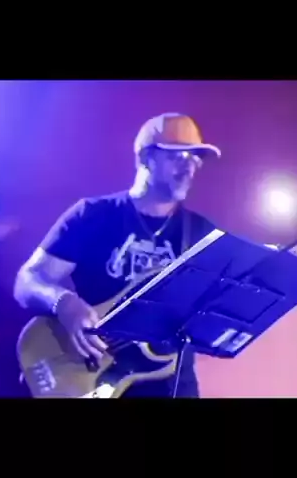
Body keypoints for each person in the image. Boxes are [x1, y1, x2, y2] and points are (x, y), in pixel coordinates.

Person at [13, 112, 221, 398]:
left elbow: (215, 318)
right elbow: (28, 280)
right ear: (145, 158)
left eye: (195, 158)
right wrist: (64, 303)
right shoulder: (92, 215)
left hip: (170, 384)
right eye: (178, 156)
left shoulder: (203, 235)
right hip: (92, 371)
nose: (189, 167)